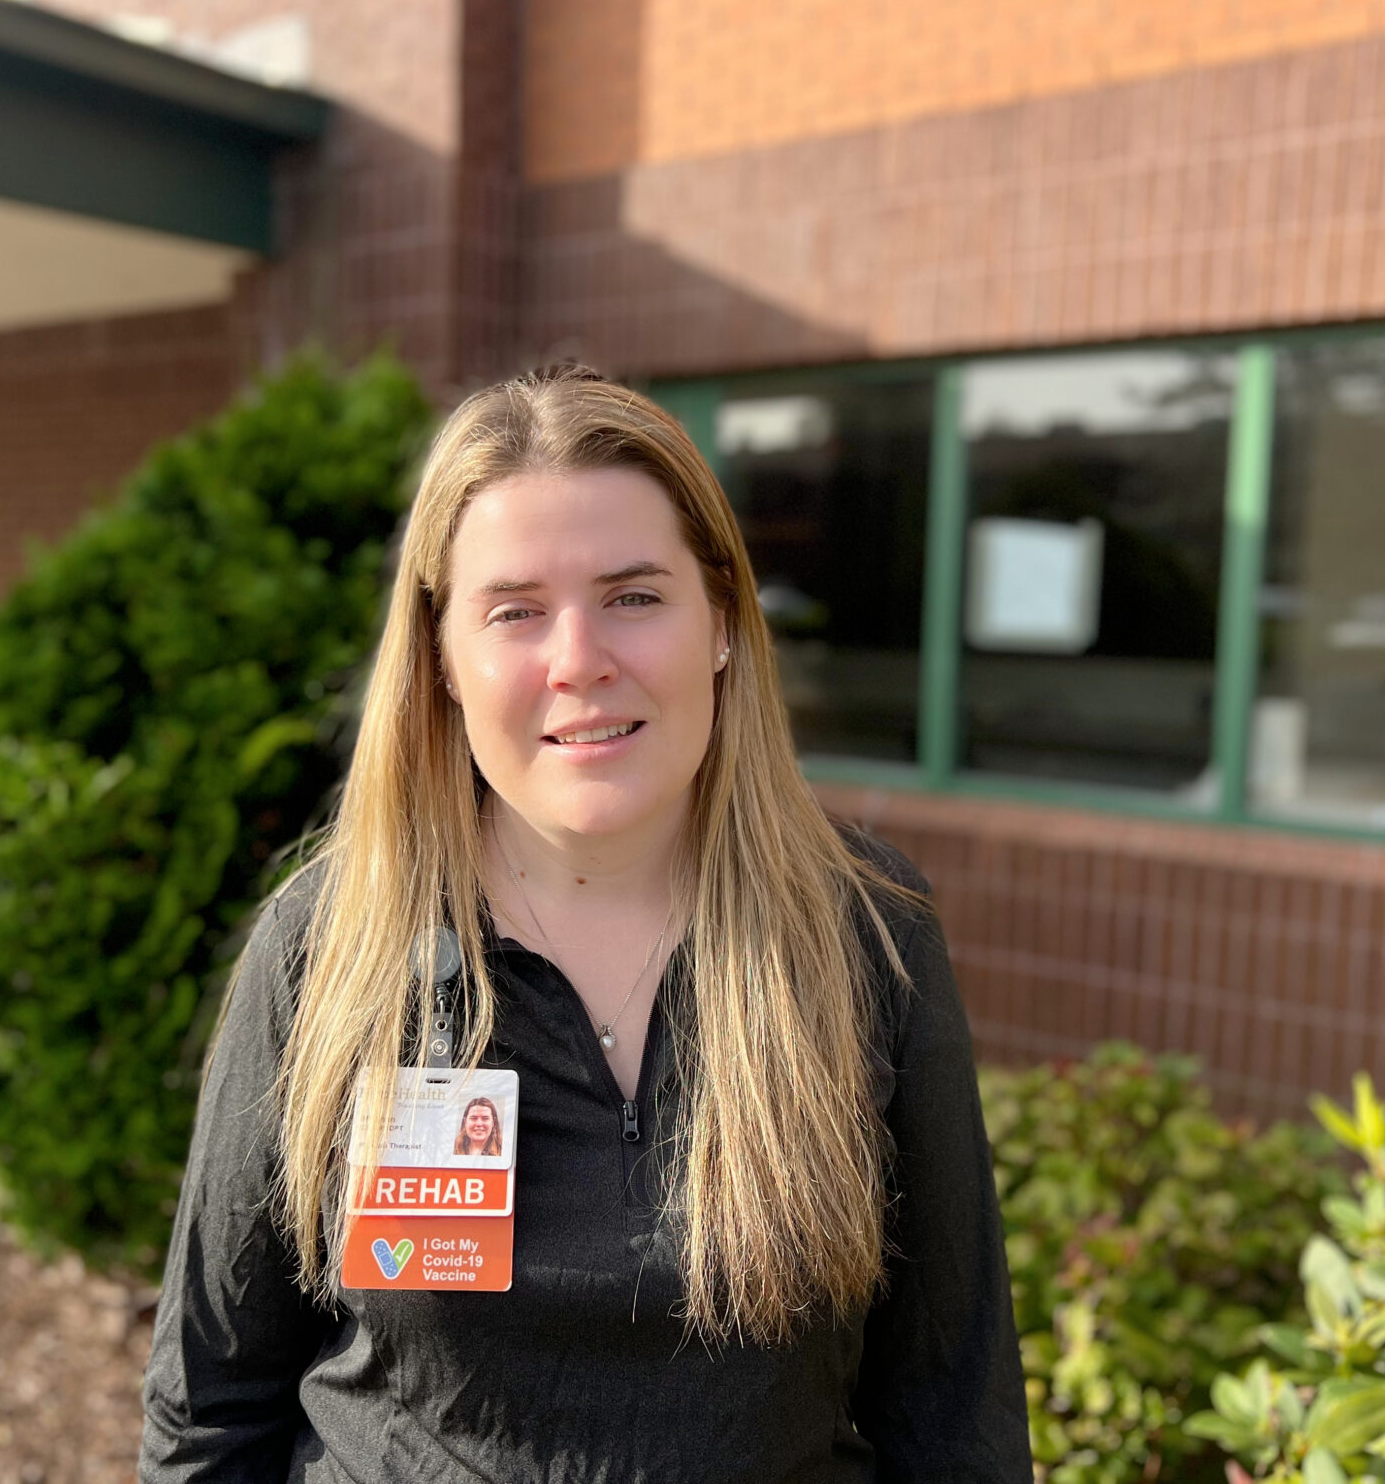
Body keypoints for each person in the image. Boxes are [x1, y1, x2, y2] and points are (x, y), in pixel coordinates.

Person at [140, 365, 1030, 1481]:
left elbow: (955, 1411)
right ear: (444, 663)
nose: (577, 662)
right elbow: (207, 1411)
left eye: (633, 596)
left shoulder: (863, 934)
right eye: (514, 612)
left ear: (719, 623)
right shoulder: (329, 951)